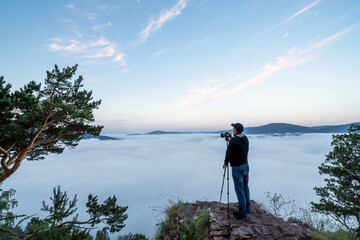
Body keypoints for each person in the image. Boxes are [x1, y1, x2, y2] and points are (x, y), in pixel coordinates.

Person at [223, 123, 250, 220]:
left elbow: (229, 152)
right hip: (245, 165)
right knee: (246, 187)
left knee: (240, 190)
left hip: (237, 167)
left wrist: (225, 163)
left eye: (233, 128)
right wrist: (232, 138)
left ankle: (242, 214)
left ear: (235, 130)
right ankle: (247, 208)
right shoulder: (245, 138)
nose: (232, 129)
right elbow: (239, 147)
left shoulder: (234, 140)